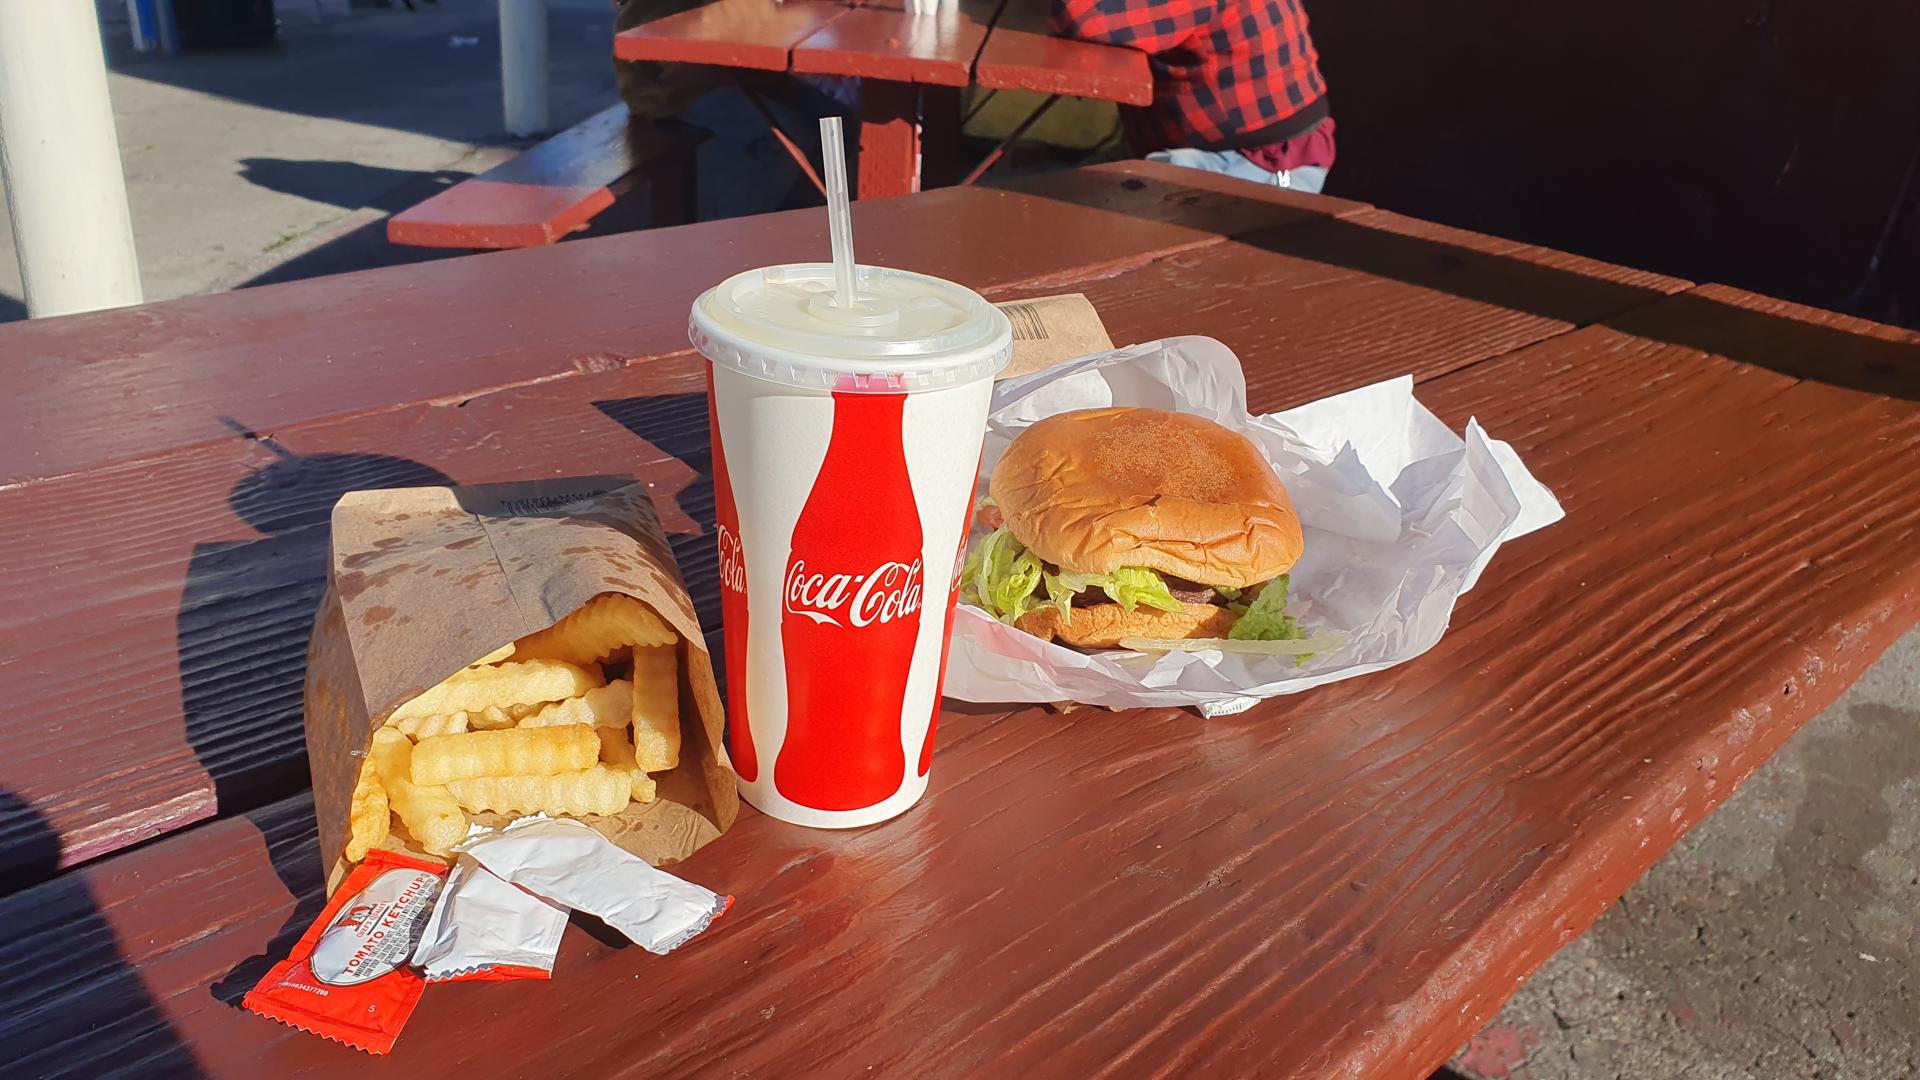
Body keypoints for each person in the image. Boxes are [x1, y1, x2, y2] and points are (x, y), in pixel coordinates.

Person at [1051, 0, 1334, 193]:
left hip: (1257, 163)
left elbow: (1086, 18)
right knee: (1052, 202)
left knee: (1086, 227)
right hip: (1180, 147)